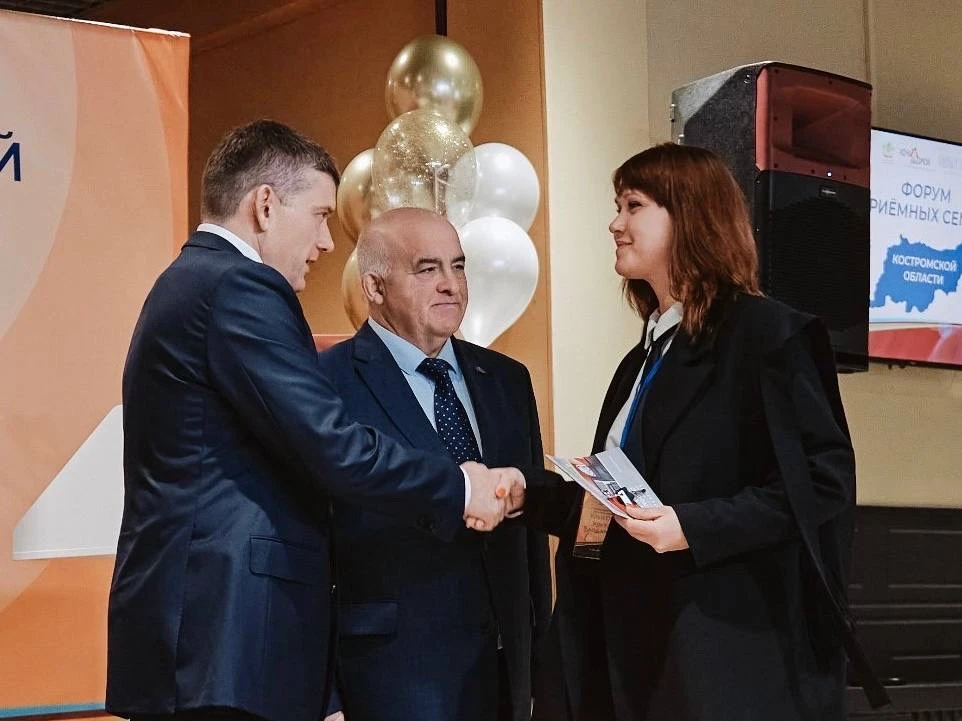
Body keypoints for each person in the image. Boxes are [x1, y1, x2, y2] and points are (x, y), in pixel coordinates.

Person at [106, 120, 517, 721]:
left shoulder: (191, 281)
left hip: (198, 631)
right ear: (265, 205)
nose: (326, 242)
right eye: (320, 215)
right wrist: (459, 485)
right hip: (222, 635)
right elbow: (332, 445)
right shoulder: (239, 285)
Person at [535, 143, 887, 721]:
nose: (615, 224)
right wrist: (528, 496)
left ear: (690, 217)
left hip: (726, 657)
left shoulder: (768, 334)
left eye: (633, 205)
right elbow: (619, 506)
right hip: (631, 651)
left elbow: (819, 486)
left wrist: (691, 527)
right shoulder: (641, 359)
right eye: (618, 207)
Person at [316, 207, 567, 721]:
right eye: (427, 269)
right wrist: (324, 698)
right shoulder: (325, 383)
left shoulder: (506, 379)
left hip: (504, 680)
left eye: (458, 266)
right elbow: (305, 543)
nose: (451, 284)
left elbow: (528, 543)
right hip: (388, 683)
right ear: (375, 286)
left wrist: (540, 665)